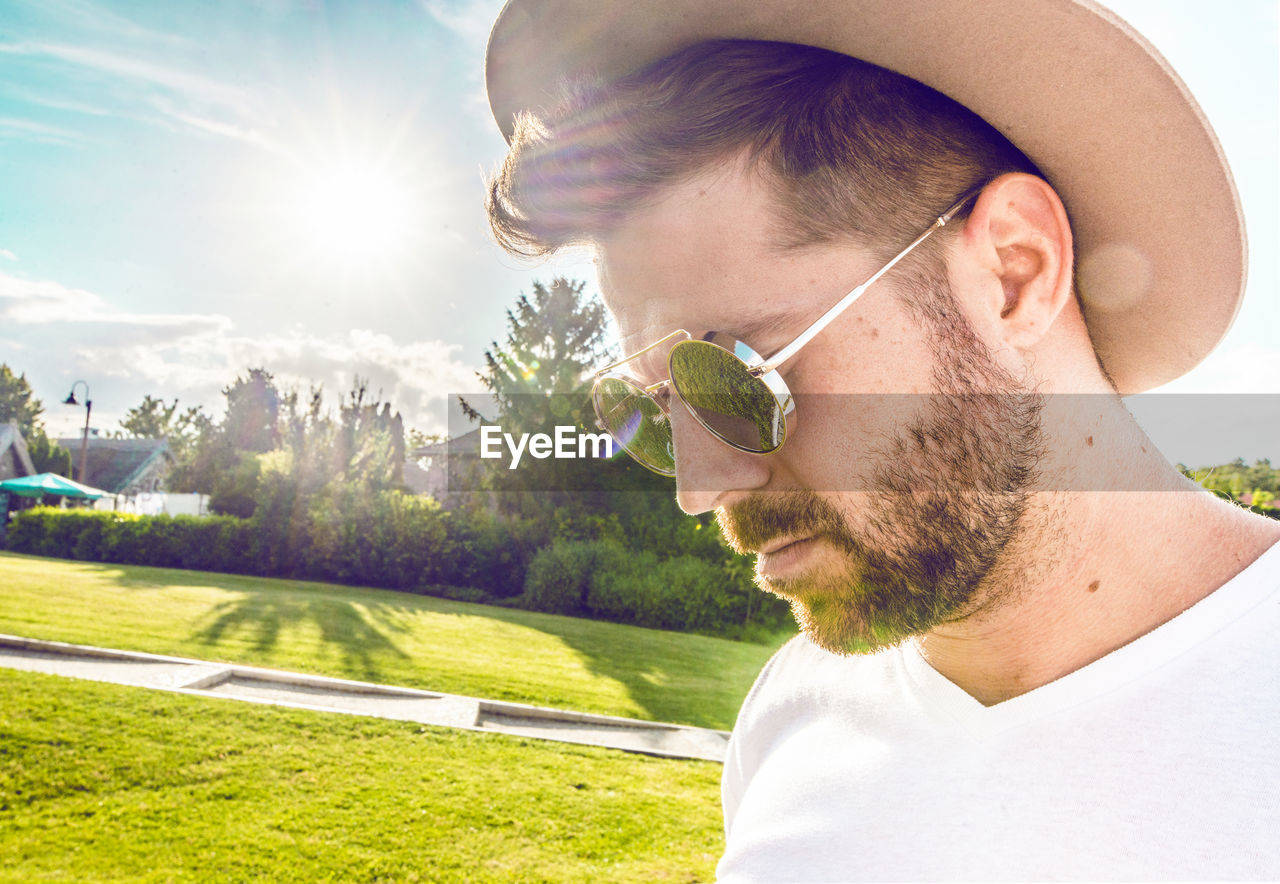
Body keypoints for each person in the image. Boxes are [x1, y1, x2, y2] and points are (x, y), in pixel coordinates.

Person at [482, 1, 1280, 879]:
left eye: (736, 379)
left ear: (1015, 273)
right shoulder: (791, 718)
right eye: (660, 413)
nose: (701, 490)